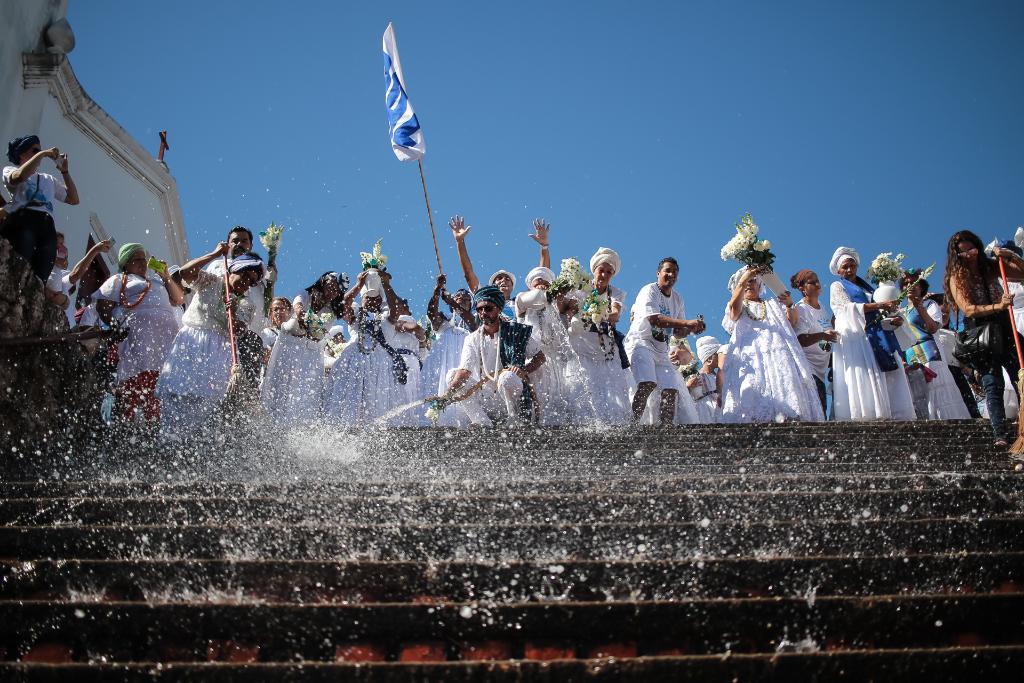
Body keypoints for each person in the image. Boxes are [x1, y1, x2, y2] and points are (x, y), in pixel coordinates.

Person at [157, 245, 264, 437]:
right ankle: (168, 443)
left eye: (252, 282)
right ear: (234, 269)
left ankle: (196, 449)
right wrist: (214, 255)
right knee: (176, 395)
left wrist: (231, 312)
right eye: (245, 276)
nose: (247, 284)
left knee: (206, 406)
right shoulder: (210, 281)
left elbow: (238, 331)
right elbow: (185, 273)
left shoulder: (247, 304)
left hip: (219, 351)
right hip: (191, 342)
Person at [943, 230, 1024, 446]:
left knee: (1021, 376)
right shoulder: (957, 276)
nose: (969, 255)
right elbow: (968, 309)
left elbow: (1022, 273)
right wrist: (999, 305)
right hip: (982, 333)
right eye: (962, 253)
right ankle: (1000, 434)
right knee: (992, 382)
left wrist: (1008, 255)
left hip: (1006, 327)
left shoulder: (990, 266)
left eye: (971, 249)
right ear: (956, 256)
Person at [719, 267, 824, 423]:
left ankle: (787, 418)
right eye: (746, 281)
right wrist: (745, 277)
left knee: (784, 382)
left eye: (753, 280)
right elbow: (734, 312)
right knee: (751, 387)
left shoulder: (772, 303)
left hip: (778, 351)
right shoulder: (737, 303)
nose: (749, 284)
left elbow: (793, 321)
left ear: (760, 284)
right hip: (750, 353)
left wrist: (789, 304)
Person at [94, 243, 184, 422]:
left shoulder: (157, 282)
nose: (143, 263)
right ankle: (131, 426)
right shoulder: (119, 279)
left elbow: (178, 298)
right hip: (139, 340)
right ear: (126, 263)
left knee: (164, 386)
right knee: (138, 384)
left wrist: (166, 276)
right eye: (137, 259)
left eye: (145, 259)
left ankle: (158, 427)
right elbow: (103, 304)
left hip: (166, 342)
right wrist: (113, 324)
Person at [829, 247, 916, 422]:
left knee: (883, 370)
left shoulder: (867, 288)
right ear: (838, 271)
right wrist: (879, 306)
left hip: (874, 334)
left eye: (852, 266)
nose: (849, 270)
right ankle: (868, 412)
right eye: (845, 267)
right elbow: (846, 309)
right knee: (865, 372)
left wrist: (892, 320)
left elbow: (879, 313)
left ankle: (893, 412)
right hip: (855, 336)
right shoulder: (837, 286)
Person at [441, 285, 546, 425]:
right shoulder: (472, 338)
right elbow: (464, 371)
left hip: (511, 395)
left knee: (506, 377)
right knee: (452, 376)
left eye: (488, 308)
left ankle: (514, 423)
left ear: (499, 308)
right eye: (479, 309)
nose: (483, 312)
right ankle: (482, 422)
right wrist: (446, 395)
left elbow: (540, 357)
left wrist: (523, 370)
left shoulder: (516, 331)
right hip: (487, 398)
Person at [624, 257, 706, 425]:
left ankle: (666, 430)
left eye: (674, 272)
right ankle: (631, 425)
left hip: (662, 350)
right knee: (647, 384)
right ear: (658, 273)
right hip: (641, 343)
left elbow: (678, 333)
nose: (671, 275)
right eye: (667, 271)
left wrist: (692, 329)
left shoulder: (678, 299)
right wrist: (687, 323)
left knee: (671, 390)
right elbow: (656, 320)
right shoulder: (649, 290)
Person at [261, 271, 343, 424]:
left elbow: (318, 335)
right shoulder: (307, 294)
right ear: (323, 284)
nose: (332, 292)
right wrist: (302, 315)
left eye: (336, 290)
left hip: (308, 355)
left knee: (304, 395)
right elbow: (298, 306)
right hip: (287, 347)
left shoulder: (330, 312)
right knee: (280, 390)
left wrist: (313, 328)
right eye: (331, 287)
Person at [566, 248, 633, 423]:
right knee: (584, 384)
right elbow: (571, 309)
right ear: (594, 270)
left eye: (608, 272)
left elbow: (615, 314)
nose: (603, 275)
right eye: (601, 271)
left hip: (605, 347)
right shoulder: (581, 288)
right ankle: (582, 422)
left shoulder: (615, 293)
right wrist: (583, 317)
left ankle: (615, 423)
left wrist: (600, 315)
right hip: (582, 345)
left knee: (611, 386)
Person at [894, 270, 970, 421]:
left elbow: (933, 328)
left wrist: (920, 307)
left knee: (937, 387)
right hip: (910, 355)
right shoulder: (901, 311)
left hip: (930, 352)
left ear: (921, 287)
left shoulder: (930, 304)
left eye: (913, 282)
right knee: (918, 392)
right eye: (906, 283)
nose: (910, 285)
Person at [2, 135, 79, 281]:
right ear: (22, 154)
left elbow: (74, 199)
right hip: (24, 218)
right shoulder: (10, 169)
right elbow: (18, 177)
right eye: (35, 150)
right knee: (19, 261)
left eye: (39, 150)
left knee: (42, 271)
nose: (40, 153)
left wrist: (65, 172)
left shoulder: (48, 179)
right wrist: (43, 154)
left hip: (47, 224)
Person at [514, 265, 582, 424]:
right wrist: (554, 291)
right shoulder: (522, 298)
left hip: (557, 361)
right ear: (530, 285)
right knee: (537, 395)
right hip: (534, 359)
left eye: (545, 281)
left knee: (559, 397)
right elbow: (537, 297)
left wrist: (569, 295)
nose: (541, 284)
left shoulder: (559, 301)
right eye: (537, 282)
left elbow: (574, 307)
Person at [420, 275, 472, 425]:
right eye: (458, 297)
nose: (462, 298)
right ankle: (435, 418)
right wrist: (437, 292)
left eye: (466, 298)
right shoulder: (445, 317)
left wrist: (450, 300)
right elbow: (432, 315)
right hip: (443, 358)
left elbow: (472, 323)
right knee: (439, 383)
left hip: (465, 358)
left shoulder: (475, 318)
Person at [790, 269, 839, 416]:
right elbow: (801, 340)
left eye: (817, 280)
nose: (817, 284)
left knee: (820, 413)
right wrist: (823, 335)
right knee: (817, 415)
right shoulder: (801, 309)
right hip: (807, 370)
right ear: (802, 288)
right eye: (812, 282)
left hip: (820, 371)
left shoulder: (822, 309)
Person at [449, 214, 517, 314]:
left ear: (512, 286)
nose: (503, 280)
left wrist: (544, 247)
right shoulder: (483, 298)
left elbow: (541, 281)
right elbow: (468, 273)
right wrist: (460, 242)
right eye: (499, 279)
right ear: (493, 286)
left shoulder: (520, 303)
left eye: (507, 279)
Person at [688, 336, 724, 424]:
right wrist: (688, 387)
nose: (721, 357)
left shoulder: (720, 376)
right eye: (718, 355)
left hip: (721, 413)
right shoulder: (694, 377)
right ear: (709, 359)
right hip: (703, 415)